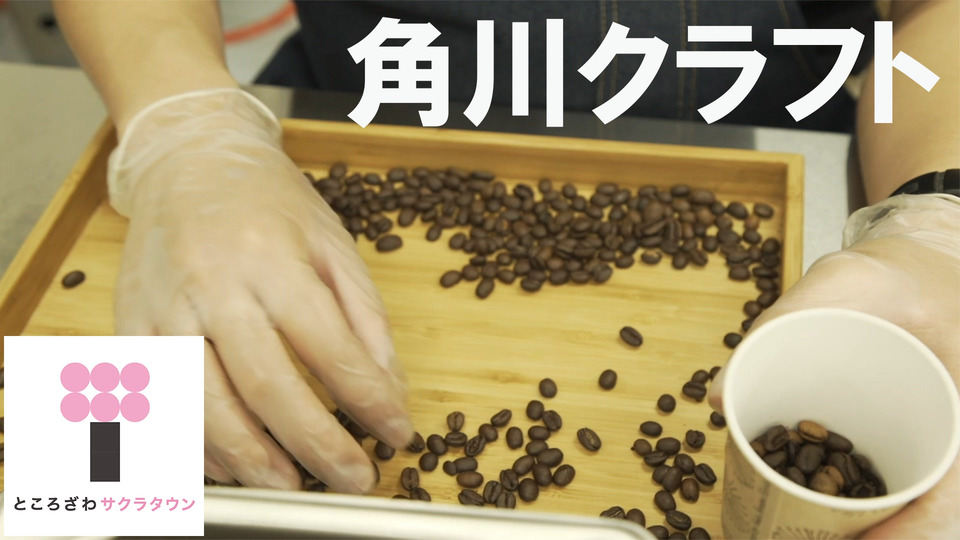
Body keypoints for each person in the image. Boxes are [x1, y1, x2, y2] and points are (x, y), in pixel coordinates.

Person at [53, 1, 957, 536]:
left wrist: (939, 208)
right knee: (74, 477)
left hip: (766, 130)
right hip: (352, 110)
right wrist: (180, 119)